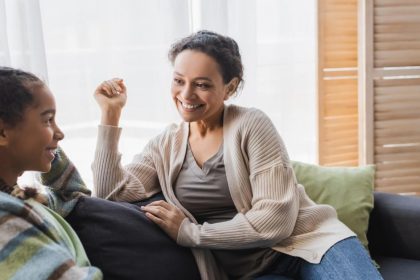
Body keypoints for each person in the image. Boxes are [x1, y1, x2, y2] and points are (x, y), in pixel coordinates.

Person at [92, 30, 383, 280]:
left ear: (230, 87)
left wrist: (191, 233)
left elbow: (274, 220)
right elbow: (109, 194)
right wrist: (110, 113)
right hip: (251, 272)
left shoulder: (251, 124)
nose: (187, 94)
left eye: (202, 84)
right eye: (179, 80)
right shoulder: (165, 145)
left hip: (311, 244)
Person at [0, 67, 102, 279]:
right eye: (47, 120)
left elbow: (73, 198)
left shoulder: (16, 196)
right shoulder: (6, 217)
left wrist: (48, 147)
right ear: (2, 132)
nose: (60, 133)